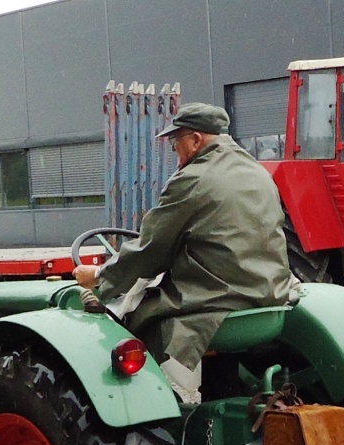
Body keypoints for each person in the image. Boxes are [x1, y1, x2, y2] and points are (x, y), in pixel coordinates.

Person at [73, 102, 298, 381]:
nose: (174, 151)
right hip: (271, 297)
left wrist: (100, 276)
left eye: (175, 142)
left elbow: (151, 251)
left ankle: (147, 394)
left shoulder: (192, 179)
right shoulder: (259, 173)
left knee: (125, 320)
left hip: (217, 302)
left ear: (195, 140)